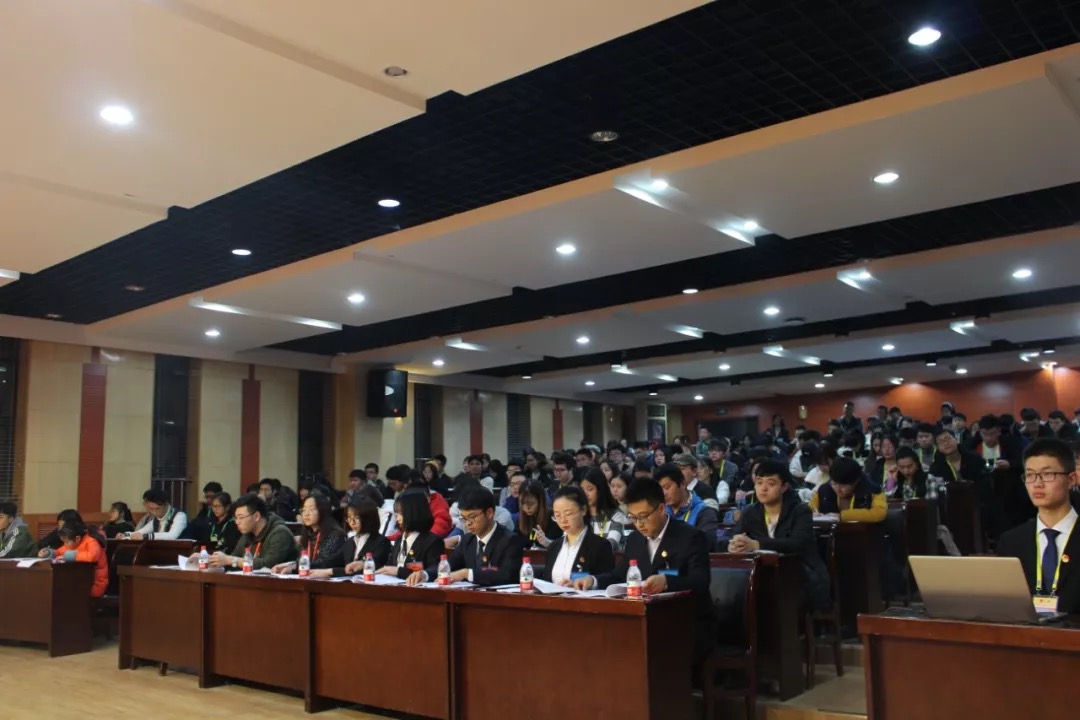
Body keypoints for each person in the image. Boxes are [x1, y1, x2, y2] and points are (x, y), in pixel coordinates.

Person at [573, 478, 712, 662]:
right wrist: (593, 580)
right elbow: (619, 575)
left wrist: (667, 582)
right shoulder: (635, 540)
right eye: (633, 517)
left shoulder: (691, 537)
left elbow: (701, 581)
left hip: (685, 623)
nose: (638, 524)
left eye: (643, 516)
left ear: (661, 509)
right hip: (645, 621)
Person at [728, 460, 829, 610]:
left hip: (801, 573)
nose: (763, 488)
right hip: (762, 575)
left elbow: (798, 543)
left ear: (784, 487)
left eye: (771, 483)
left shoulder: (800, 511)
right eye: (759, 483)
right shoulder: (750, 512)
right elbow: (736, 535)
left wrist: (757, 544)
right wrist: (734, 544)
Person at [996, 439, 1080, 613]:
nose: (1037, 483)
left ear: (1071, 479)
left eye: (1047, 474)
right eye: (1030, 475)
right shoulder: (1011, 541)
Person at [407, 485, 524, 586]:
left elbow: (507, 575)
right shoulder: (468, 540)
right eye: (464, 518)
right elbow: (448, 566)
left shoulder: (510, 540)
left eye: (472, 517)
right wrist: (425, 574)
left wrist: (467, 573)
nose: (467, 523)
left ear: (489, 513)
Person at [543, 485, 615, 585]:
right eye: (557, 515)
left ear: (583, 510)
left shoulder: (600, 546)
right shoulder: (553, 547)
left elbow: (609, 580)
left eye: (568, 514)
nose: (563, 520)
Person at [209, 494, 298, 570]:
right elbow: (234, 558)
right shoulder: (247, 534)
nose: (237, 522)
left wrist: (230, 560)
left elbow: (269, 564)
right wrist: (211, 560)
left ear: (256, 516)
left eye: (241, 517)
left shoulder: (280, 532)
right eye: (236, 518)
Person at [311, 499, 393, 578]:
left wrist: (330, 571)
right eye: (349, 517)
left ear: (368, 518)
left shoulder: (382, 542)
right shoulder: (350, 542)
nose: (352, 522)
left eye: (356, 517)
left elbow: (362, 570)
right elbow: (330, 561)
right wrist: (307, 565)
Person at [272, 492, 346, 573]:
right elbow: (303, 560)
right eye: (304, 510)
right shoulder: (308, 534)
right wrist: (287, 565)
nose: (306, 514)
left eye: (311, 509)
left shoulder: (335, 534)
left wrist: (294, 567)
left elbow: (325, 563)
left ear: (323, 511)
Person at [378, 491, 445, 580]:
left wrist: (399, 571)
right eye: (396, 514)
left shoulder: (432, 541)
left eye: (401, 514)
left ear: (415, 513)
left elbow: (434, 570)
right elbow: (390, 566)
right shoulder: (399, 540)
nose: (397, 518)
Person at [656, 462, 719, 550]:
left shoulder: (704, 513)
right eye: (659, 490)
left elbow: (706, 544)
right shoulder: (659, 512)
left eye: (667, 487)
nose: (664, 494)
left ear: (682, 484)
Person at [810, 456, 886, 522]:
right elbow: (810, 508)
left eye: (843, 486)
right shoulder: (824, 489)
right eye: (834, 484)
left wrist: (842, 516)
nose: (838, 489)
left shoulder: (873, 491)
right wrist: (813, 513)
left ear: (856, 482)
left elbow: (879, 513)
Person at [42, 521, 108, 596]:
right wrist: (48, 553)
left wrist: (69, 556)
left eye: (67, 542)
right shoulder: (73, 542)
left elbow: (92, 556)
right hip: (81, 582)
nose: (65, 544)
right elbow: (59, 552)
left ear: (77, 538)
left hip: (94, 585)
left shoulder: (92, 542)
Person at [579, 468, 627, 551]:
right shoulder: (578, 515)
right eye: (582, 490)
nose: (585, 494)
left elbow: (611, 545)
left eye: (590, 489)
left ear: (600, 490)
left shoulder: (616, 516)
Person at [516, 479, 561, 549]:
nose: (527, 507)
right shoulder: (520, 520)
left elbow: (562, 545)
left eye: (531, 503)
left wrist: (547, 542)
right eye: (523, 503)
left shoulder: (554, 517)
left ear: (540, 501)